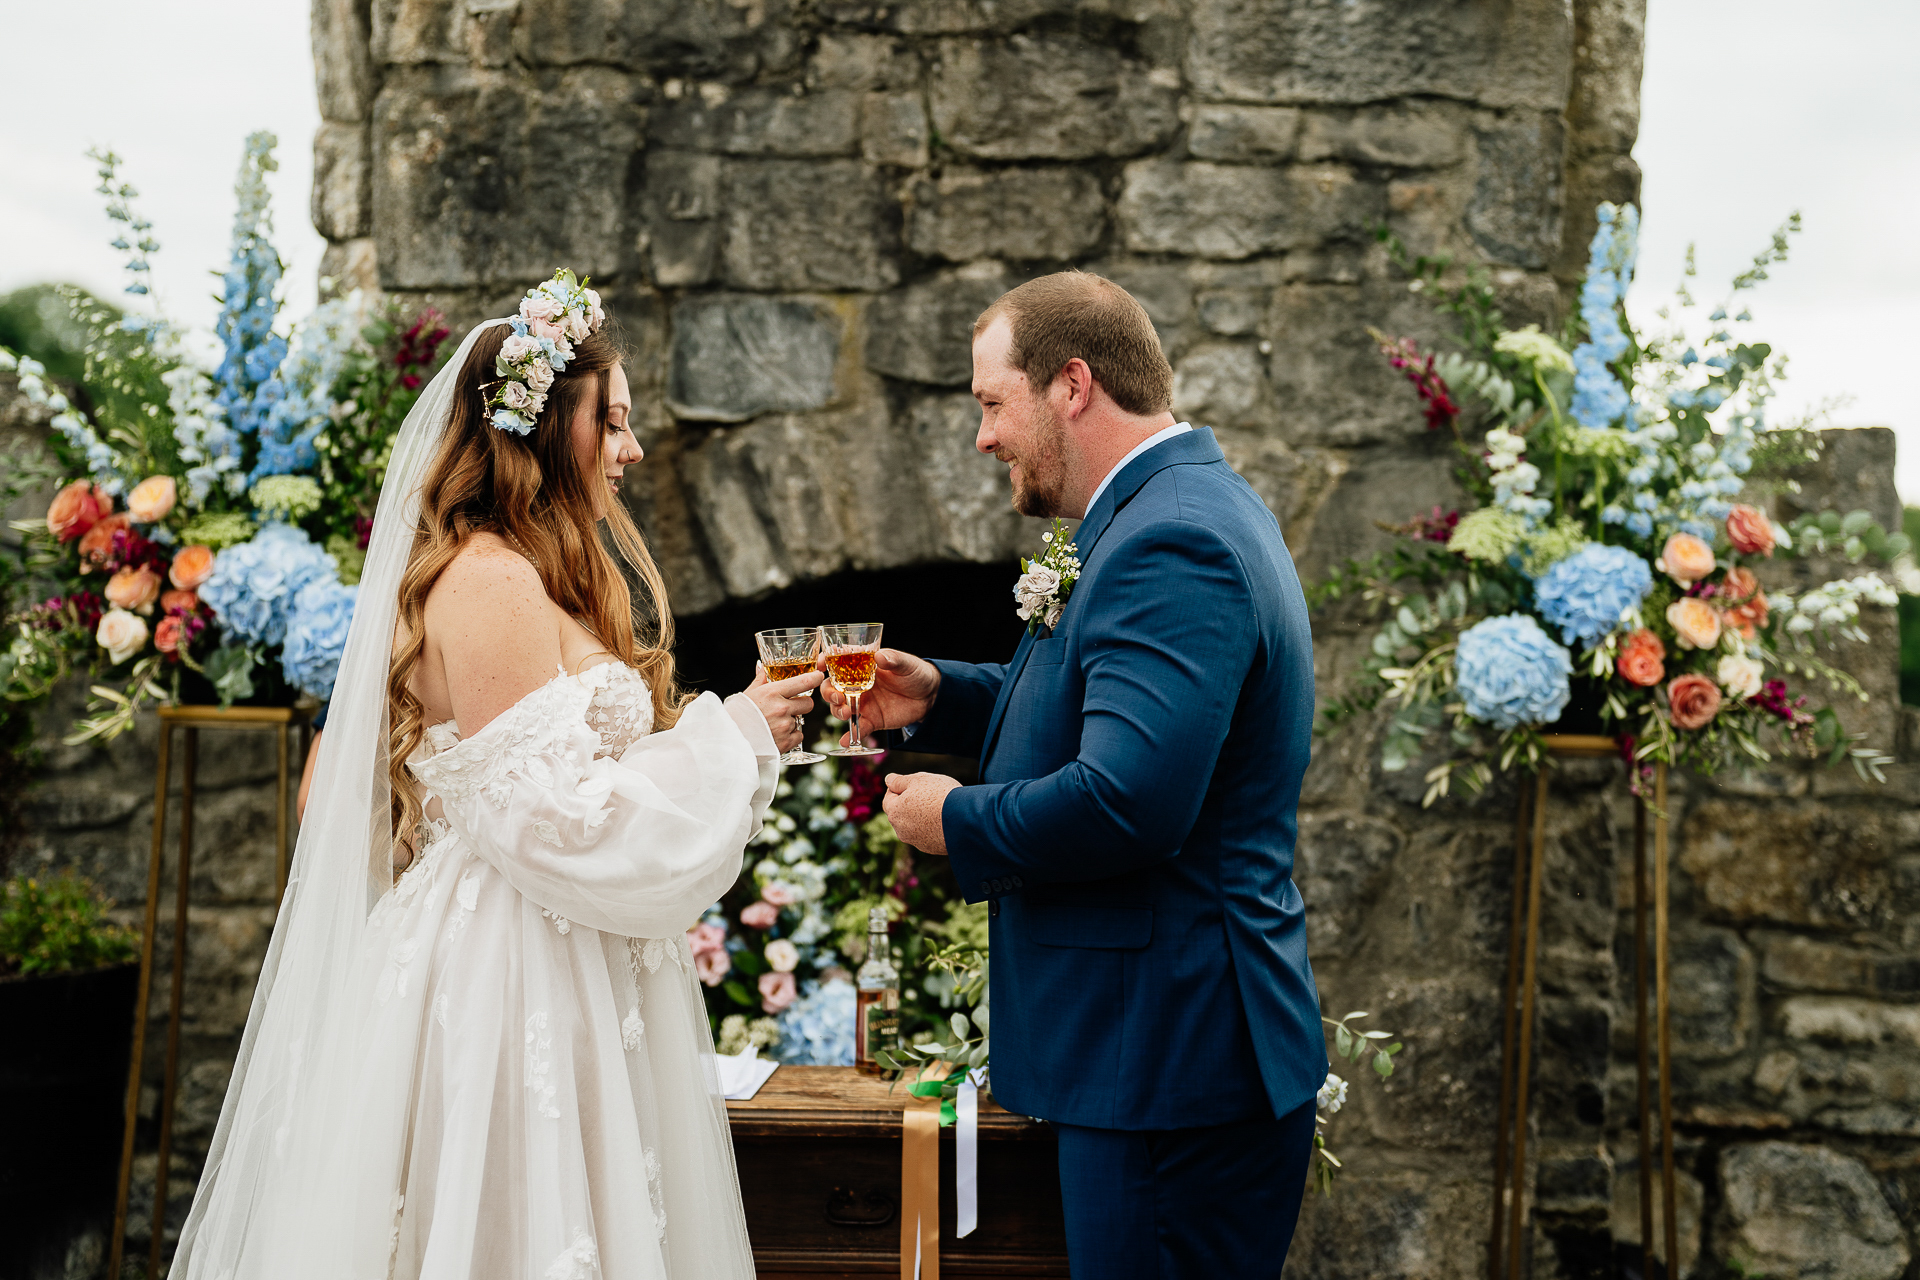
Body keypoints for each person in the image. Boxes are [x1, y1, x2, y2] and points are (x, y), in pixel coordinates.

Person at [173, 271, 822, 1279]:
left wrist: (740, 732)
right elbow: (553, 820)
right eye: (611, 422)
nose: (632, 448)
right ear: (546, 427)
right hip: (506, 973)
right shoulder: (489, 580)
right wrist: (731, 735)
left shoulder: (523, 573)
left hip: (550, 952)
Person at [824, 272, 1325, 1278]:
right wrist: (946, 695)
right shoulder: (1169, 509)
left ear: (1073, 385)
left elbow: (1132, 798)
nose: (983, 437)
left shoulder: (1169, 542)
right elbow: (1113, 699)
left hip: (1166, 1063)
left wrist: (957, 818)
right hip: (1158, 1054)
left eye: (990, 402)